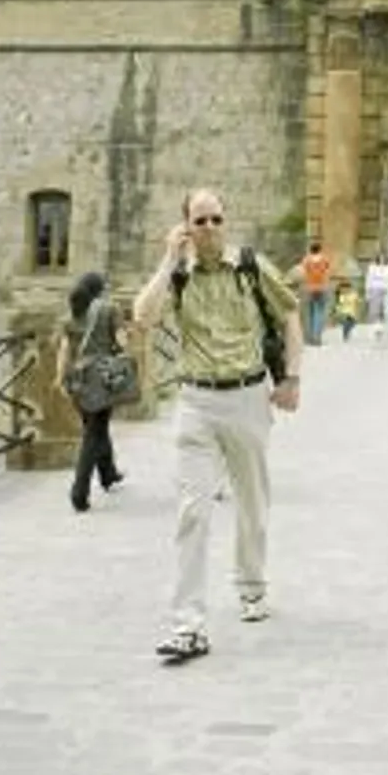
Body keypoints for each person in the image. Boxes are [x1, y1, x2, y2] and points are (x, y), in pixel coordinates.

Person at [133, 189, 304, 663]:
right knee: (193, 511)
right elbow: (142, 318)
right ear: (185, 225)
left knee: (252, 503)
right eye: (200, 221)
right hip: (196, 402)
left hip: (248, 397)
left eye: (216, 219)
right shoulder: (179, 276)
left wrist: (291, 377)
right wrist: (169, 259)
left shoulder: (250, 265)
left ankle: (251, 586)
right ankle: (188, 624)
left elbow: (289, 311)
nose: (209, 228)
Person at [57, 270, 129, 513]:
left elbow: (64, 351)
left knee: (96, 426)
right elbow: (122, 342)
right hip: (101, 378)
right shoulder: (110, 310)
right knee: (94, 432)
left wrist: (60, 379)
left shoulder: (72, 316)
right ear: (100, 290)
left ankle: (108, 473)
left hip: (77, 381)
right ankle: (79, 491)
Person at [293, 240, 333, 345]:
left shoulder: (306, 260)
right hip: (321, 288)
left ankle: (309, 338)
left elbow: (301, 274)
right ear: (320, 250)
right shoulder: (324, 260)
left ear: (310, 250)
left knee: (309, 314)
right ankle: (317, 338)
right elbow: (327, 272)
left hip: (308, 288)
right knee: (319, 313)